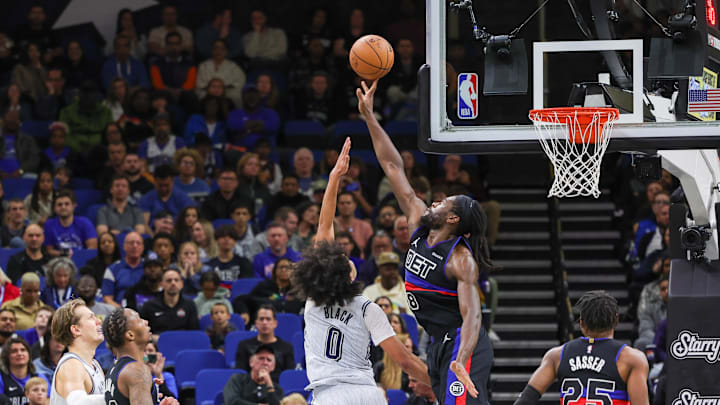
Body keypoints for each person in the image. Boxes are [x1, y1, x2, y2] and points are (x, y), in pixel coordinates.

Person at [359, 80, 494, 403]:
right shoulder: (419, 221)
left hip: (461, 344)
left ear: (453, 219)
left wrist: (462, 358)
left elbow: (473, 315)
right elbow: (392, 166)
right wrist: (369, 117)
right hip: (436, 343)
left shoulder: (461, 260)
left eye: (446, 202)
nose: (437, 201)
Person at [292, 137, 430, 404]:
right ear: (349, 275)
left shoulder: (313, 300)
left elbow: (323, 229)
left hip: (329, 395)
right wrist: (444, 382)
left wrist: (334, 179)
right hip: (367, 393)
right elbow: (404, 360)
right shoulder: (368, 306)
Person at [512, 291, 649, 405]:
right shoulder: (631, 359)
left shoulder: (557, 355)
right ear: (616, 320)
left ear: (581, 322)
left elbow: (526, 400)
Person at [102, 307, 179, 405]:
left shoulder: (113, 368)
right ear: (130, 335)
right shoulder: (137, 370)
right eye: (139, 319)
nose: (146, 322)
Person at [48, 299, 105, 405]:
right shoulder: (71, 365)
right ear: (76, 330)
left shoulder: (95, 364)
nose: (99, 321)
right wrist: (117, 397)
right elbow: (77, 402)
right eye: (91, 318)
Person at [234, 306, 294, 381]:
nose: (264, 322)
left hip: (279, 389)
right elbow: (240, 374)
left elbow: (289, 377)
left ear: (275, 323)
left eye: (268, 319)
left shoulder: (286, 347)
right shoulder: (244, 345)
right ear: (256, 323)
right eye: (261, 319)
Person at [139, 268, 199, 339]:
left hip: (183, 342)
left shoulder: (190, 305)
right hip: (158, 344)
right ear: (162, 284)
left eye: (176, 280)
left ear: (181, 284)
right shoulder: (149, 306)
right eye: (169, 281)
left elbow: (194, 333)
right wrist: (152, 337)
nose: (173, 283)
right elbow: (142, 332)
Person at [42, 189, 98, 257]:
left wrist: (76, 256)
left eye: (67, 204)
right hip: (59, 261)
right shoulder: (49, 224)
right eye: (59, 205)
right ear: (54, 208)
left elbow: (92, 249)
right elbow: (49, 251)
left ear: (74, 206)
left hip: (82, 261)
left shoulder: (85, 223)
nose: (63, 207)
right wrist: (65, 254)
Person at [195, 39, 245, 106]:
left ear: (226, 51)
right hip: (207, 95)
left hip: (227, 94)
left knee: (236, 96)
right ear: (212, 50)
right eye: (216, 48)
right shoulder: (203, 66)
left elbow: (240, 83)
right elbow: (199, 84)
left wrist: (222, 90)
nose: (218, 51)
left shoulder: (234, 67)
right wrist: (212, 90)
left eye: (222, 48)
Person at [101, 231, 145, 307]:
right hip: (121, 311)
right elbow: (107, 298)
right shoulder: (112, 269)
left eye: (138, 243)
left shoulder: (150, 268)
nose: (135, 246)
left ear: (143, 247)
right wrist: (123, 312)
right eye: (131, 243)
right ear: (124, 246)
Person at [0, 337, 46, 403]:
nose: (19, 353)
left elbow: (47, 401)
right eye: (14, 351)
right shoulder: (1, 378)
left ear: (29, 355)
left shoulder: (40, 377)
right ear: (6, 356)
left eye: (23, 350)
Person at [0, 110, 39, 177]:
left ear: (19, 122)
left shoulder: (27, 139)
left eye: (15, 118)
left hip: (22, 173)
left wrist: (21, 170)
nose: (12, 120)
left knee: (33, 177)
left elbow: (34, 159)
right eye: (10, 117)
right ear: (3, 120)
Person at [32, 314, 64, 380]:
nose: (59, 341)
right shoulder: (36, 365)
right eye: (56, 338)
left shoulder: (71, 363)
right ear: (48, 340)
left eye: (62, 338)